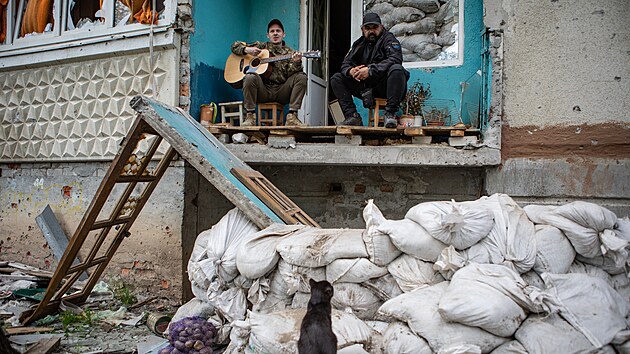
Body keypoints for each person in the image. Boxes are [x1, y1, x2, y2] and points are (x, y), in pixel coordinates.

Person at [330, 13, 410, 128]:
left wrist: (370, 70)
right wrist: (350, 71)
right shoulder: (359, 44)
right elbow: (345, 64)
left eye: (374, 27)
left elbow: (395, 59)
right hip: (367, 89)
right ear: (362, 29)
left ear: (381, 27)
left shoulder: (389, 39)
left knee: (397, 69)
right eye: (368, 28)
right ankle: (352, 116)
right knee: (336, 78)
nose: (371, 31)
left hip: (386, 87)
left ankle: (390, 114)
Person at [230, 19, 307, 126]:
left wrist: (297, 62)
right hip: (262, 90)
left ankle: (292, 117)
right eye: (272, 31)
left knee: (302, 77)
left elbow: (292, 74)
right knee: (249, 77)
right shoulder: (260, 47)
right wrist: (247, 50)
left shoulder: (290, 52)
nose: (275, 33)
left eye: (278, 31)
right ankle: (250, 117)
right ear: (268, 35)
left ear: (283, 34)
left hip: (281, 92)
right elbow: (234, 45)